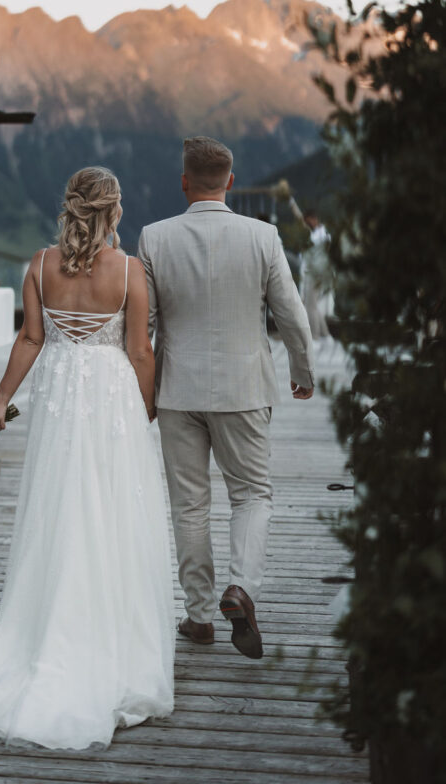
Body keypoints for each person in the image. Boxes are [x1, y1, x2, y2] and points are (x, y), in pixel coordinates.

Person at [0, 167, 175, 750]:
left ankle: (47, 636)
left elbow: (30, 339)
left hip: (63, 403)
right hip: (113, 403)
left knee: (60, 511)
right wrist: (147, 410)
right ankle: (109, 643)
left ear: (72, 208)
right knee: (114, 517)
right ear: (113, 211)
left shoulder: (41, 265)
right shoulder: (130, 272)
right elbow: (140, 351)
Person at [138, 137, 314, 660]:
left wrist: (142, 390)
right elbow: (291, 313)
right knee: (252, 494)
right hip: (244, 389)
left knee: (189, 505)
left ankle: (198, 617)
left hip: (177, 390)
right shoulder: (263, 236)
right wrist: (302, 371)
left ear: (184, 182)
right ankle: (241, 588)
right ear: (231, 182)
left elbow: (142, 326)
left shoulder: (154, 238)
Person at [300, 209, 332, 340]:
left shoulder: (322, 235)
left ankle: (316, 335)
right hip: (314, 273)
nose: (307, 225)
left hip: (315, 273)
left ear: (314, 219)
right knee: (313, 305)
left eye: (308, 222)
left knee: (310, 306)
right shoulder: (318, 234)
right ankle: (325, 333)